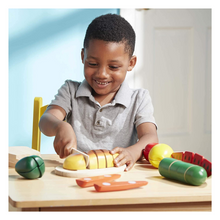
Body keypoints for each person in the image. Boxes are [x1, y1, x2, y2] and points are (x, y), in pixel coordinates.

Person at [39, 13, 158, 171]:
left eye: (113, 67)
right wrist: (60, 126)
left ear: (131, 63)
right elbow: (46, 121)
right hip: (76, 179)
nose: (102, 74)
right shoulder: (70, 90)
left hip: (120, 179)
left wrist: (133, 152)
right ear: (83, 56)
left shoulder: (139, 99)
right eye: (93, 63)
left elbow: (150, 137)